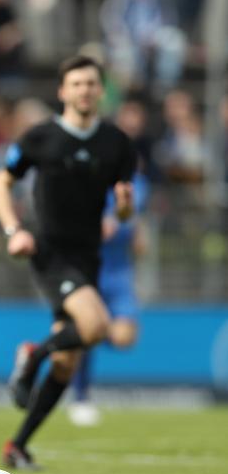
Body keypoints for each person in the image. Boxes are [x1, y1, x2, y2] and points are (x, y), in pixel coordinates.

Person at [0, 56, 136, 470]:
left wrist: (124, 209)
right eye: (77, 83)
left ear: (100, 90)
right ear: (63, 91)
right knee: (95, 327)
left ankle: (16, 446)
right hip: (50, 251)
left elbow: (124, 211)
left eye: (91, 83)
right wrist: (13, 228)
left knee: (67, 359)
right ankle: (31, 356)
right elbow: (1, 181)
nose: (85, 90)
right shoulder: (40, 137)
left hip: (89, 255)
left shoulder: (117, 143)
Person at [69, 169, 148, 426]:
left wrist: (127, 225)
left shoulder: (133, 183)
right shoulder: (83, 182)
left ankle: (73, 338)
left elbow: (132, 215)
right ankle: (80, 397)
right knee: (87, 332)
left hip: (118, 273)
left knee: (124, 337)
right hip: (87, 270)